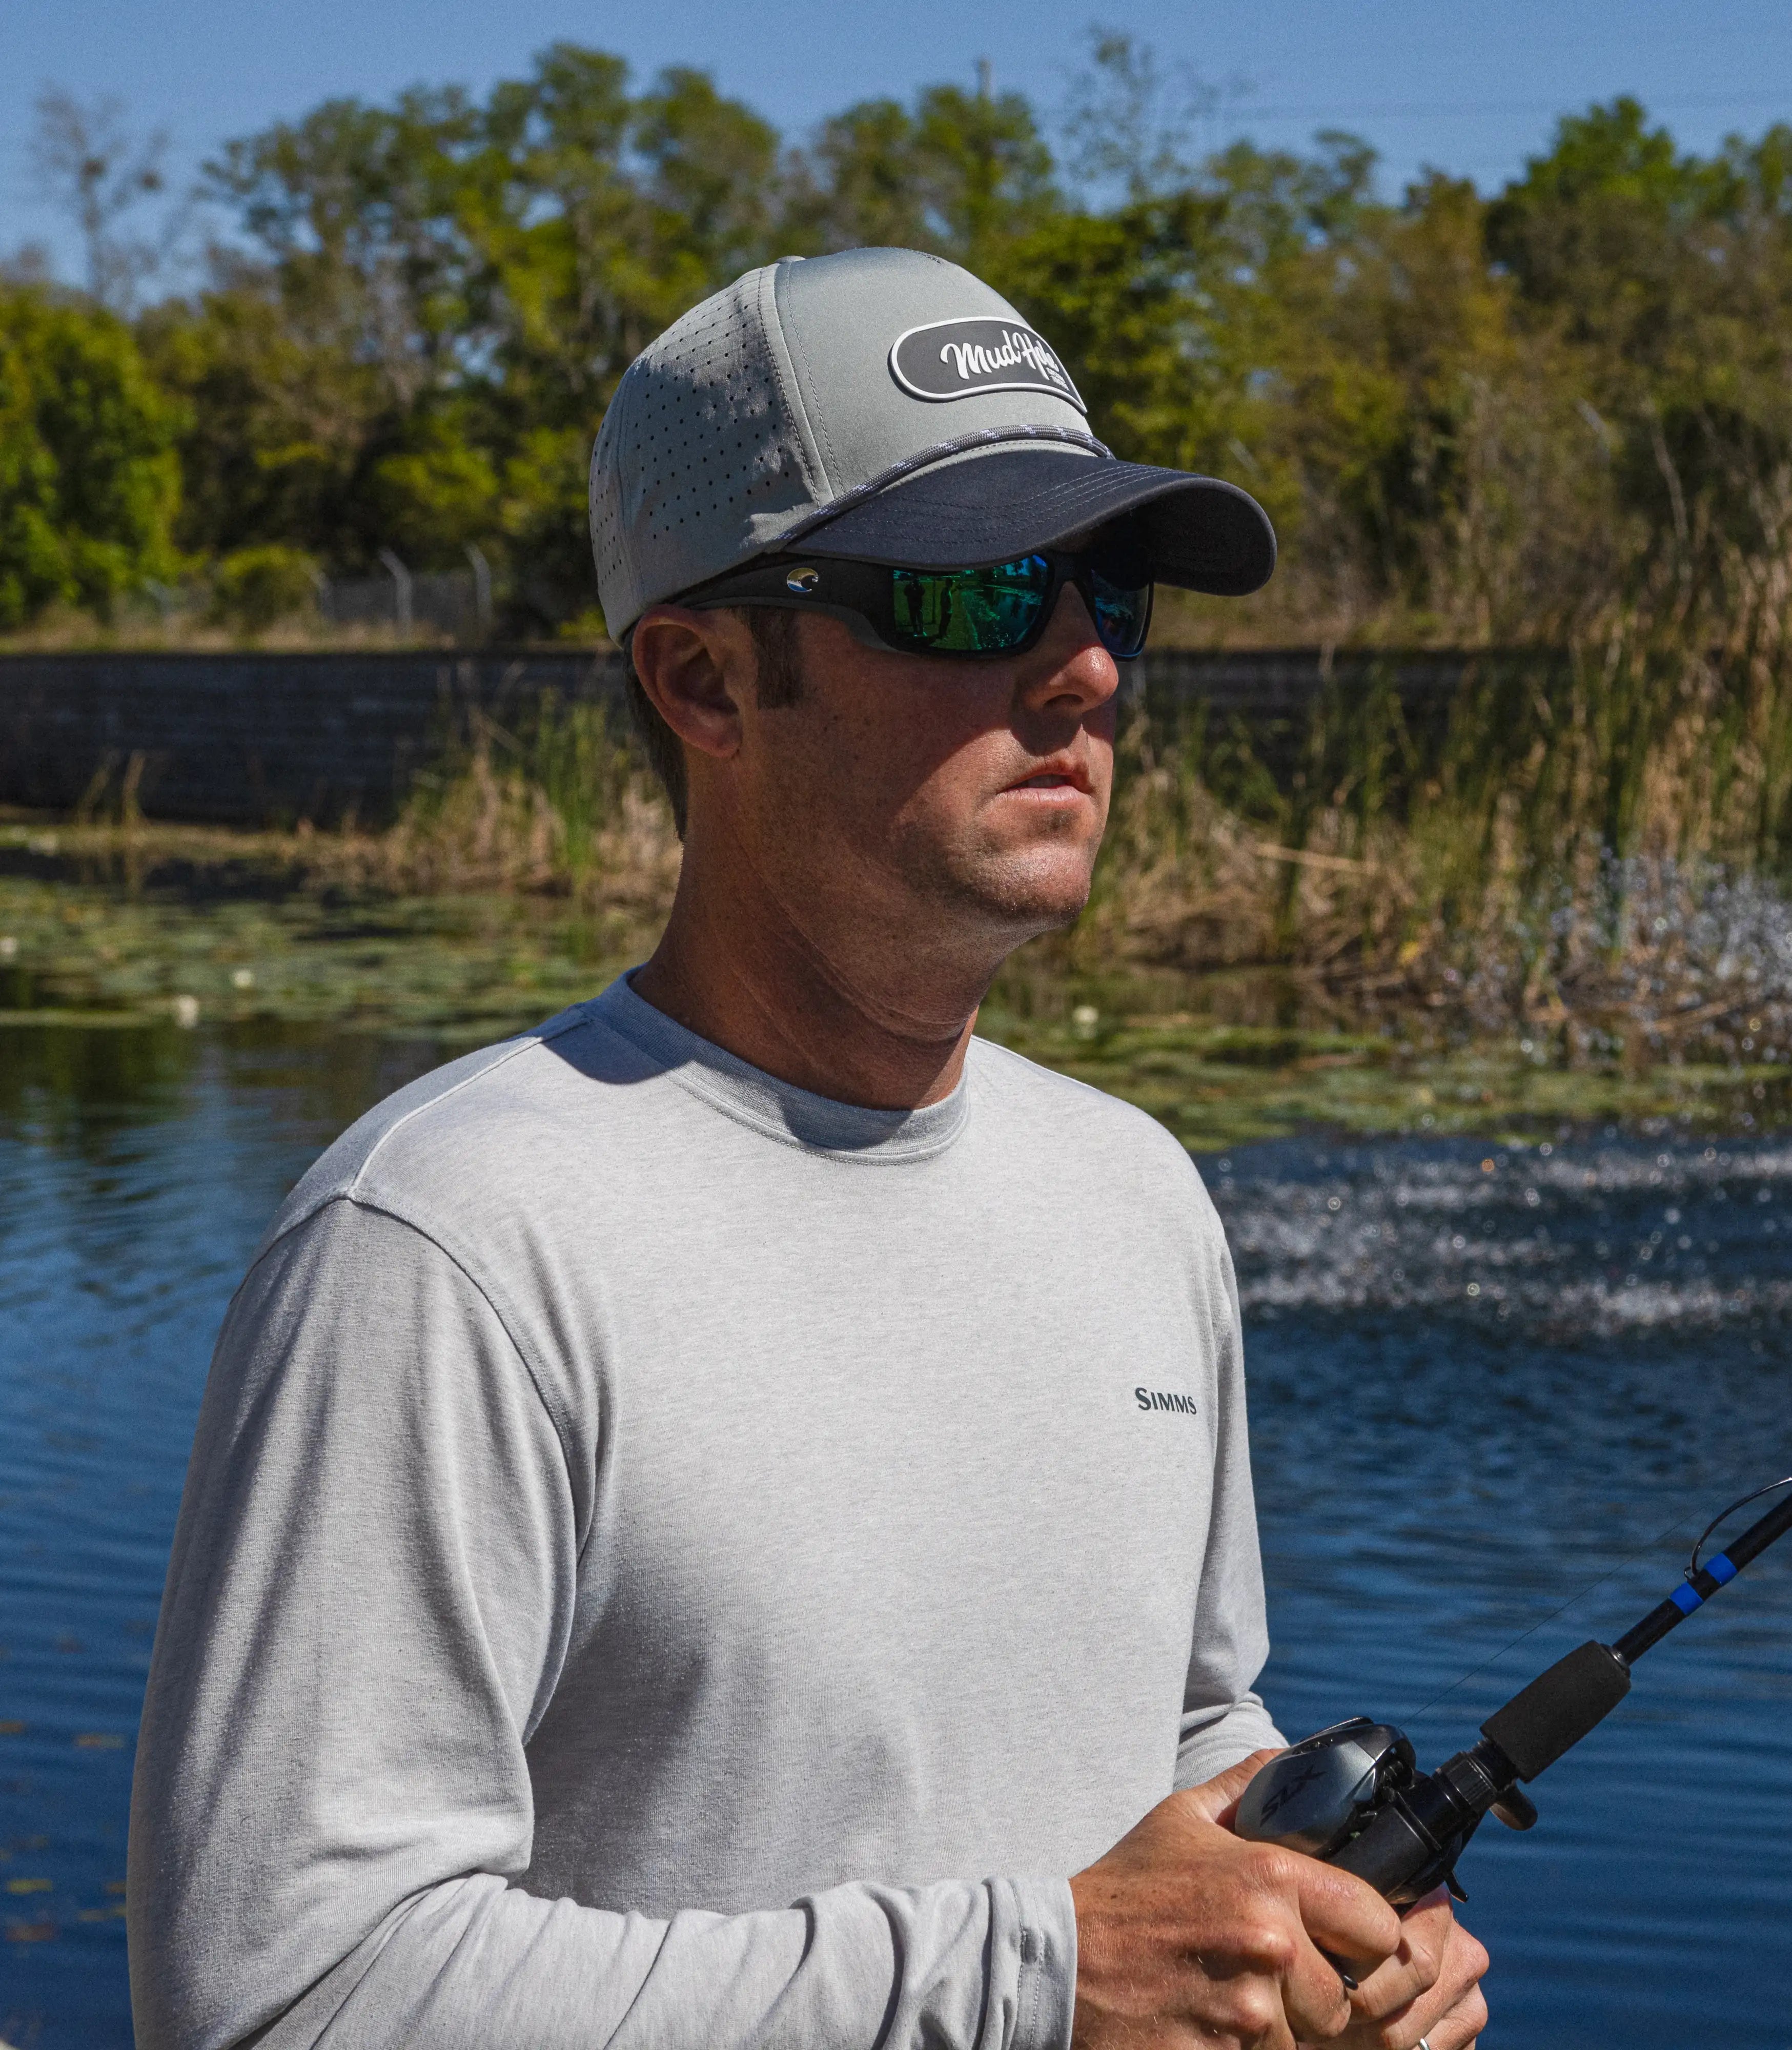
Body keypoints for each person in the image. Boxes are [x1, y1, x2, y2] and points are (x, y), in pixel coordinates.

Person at [128, 246, 1489, 2050]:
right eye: (983, 589)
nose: (1084, 663)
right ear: (701, 678)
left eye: (1107, 590)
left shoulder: (1137, 1194)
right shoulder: (451, 1241)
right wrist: (1033, 1982)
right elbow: (277, 1991)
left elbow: (1178, 1733)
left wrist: (1311, 1917)